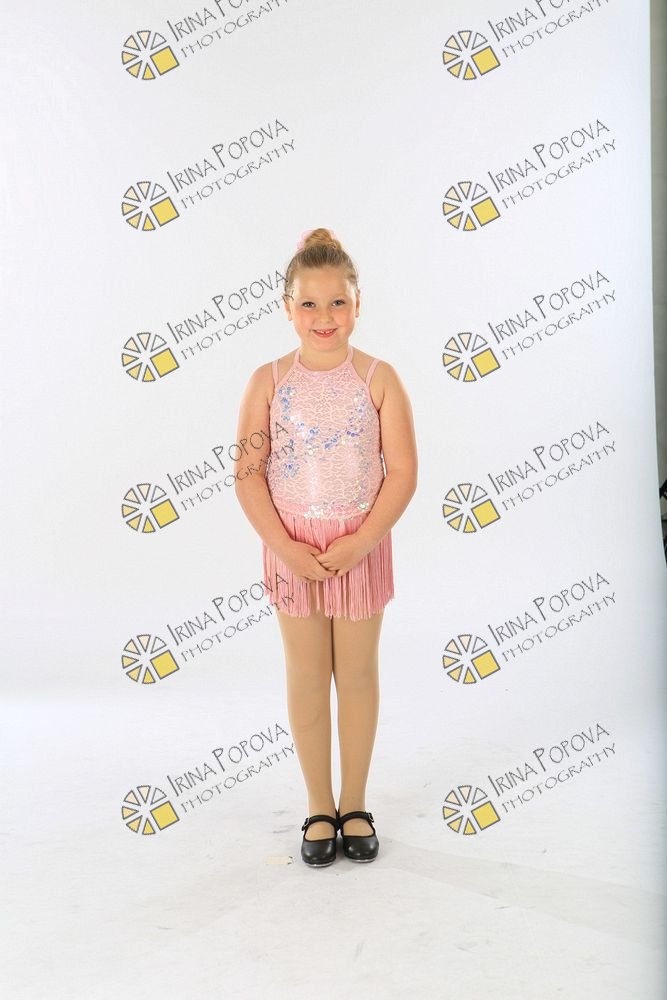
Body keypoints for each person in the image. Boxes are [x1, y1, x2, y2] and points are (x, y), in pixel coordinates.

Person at [234, 228, 418, 867]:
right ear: (287, 307)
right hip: (293, 550)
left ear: (358, 304)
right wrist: (285, 549)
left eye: (337, 302)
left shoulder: (379, 378)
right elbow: (249, 475)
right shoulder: (267, 382)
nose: (324, 316)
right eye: (308, 303)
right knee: (308, 673)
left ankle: (355, 803)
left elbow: (402, 472)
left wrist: (362, 541)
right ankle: (319, 805)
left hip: (359, 547)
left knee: (357, 673)